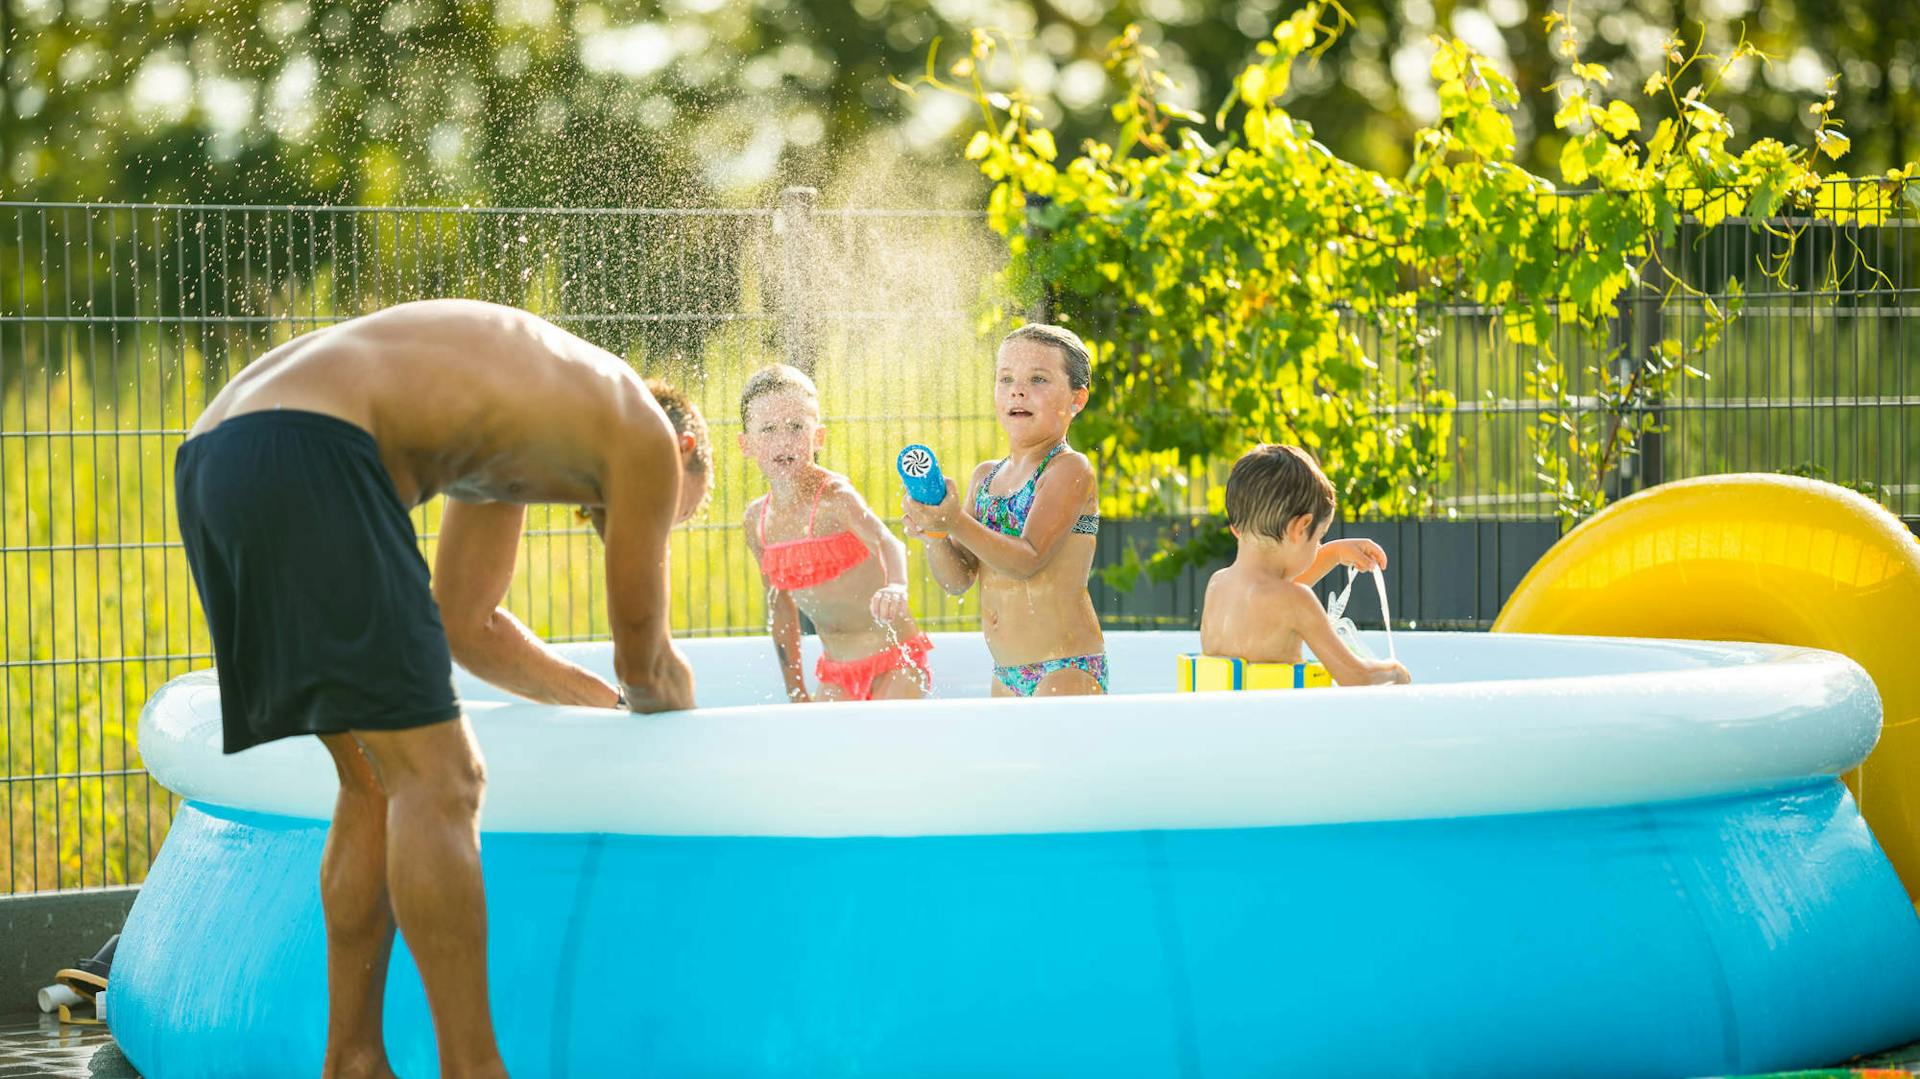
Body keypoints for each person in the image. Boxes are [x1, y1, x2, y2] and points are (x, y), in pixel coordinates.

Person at [172, 298, 711, 1079]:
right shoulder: (646, 435)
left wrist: (593, 700)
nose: (633, 528)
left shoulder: (524, 410)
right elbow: (648, 666)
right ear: (685, 446)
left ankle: (354, 1059)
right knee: (445, 779)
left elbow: (466, 622)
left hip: (221, 455)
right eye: (669, 518)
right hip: (311, 447)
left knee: (375, 781)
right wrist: (684, 716)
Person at [903, 324, 1107, 696]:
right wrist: (934, 532)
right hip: (1006, 672)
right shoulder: (985, 477)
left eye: (1039, 379)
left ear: (1077, 400)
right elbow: (958, 580)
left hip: (1063, 667)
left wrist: (955, 521)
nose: (1018, 389)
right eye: (1006, 378)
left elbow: (1027, 560)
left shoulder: (1069, 469)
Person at [738, 364, 930, 701]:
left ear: (819, 436)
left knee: (888, 747)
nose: (783, 441)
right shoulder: (758, 522)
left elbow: (888, 542)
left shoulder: (834, 498)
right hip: (836, 671)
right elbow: (781, 613)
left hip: (895, 659)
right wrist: (796, 690)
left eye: (796, 426)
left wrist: (897, 585)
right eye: (767, 430)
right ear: (746, 444)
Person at [1199, 444, 1412, 687]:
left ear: (1236, 528)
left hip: (1225, 722)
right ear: (1301, 528)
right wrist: (1395, 671)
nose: (1319, 545)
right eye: (1319, 537)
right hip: (1283, 724)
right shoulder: (1296, 601)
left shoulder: (1218, 585)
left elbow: (1274, 599)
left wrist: (1333, 553)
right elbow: (1355, 677)